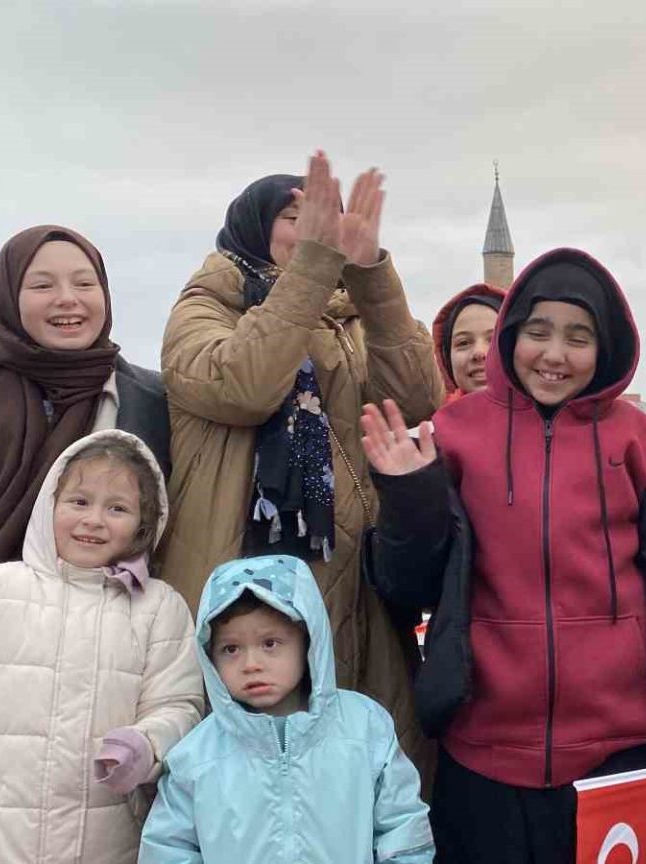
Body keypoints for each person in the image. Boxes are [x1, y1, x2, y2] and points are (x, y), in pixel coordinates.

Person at [360, 247, 646, 864]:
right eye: (538, 332)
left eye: (578, 337)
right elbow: (408, 586)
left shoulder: (643, 444)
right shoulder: (452, 436)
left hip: (620, 757)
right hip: (482, 758)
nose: (555, 355)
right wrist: (409, 497)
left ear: (606, 347)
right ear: (511, 335)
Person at [159, 152, 443, 761]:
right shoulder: (207, 305)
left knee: (354, 775)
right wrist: (316, 265)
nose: (317, 230)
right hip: (243, 599)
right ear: (252, 227)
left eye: (328, 218)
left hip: (356, 588)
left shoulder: (351, 319)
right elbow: (245, 385)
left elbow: (419, 399)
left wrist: (371, 274)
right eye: (296, 218)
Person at [0, 430, 203, 864]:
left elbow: (179, 706)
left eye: (117, 508)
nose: (94, 520)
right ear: (50, 505)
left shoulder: (160, 608)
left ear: (144, 523)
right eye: (79, 501)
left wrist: (147, 745)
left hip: (107, 847)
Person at [139, 554, 434, 862]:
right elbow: (168, 848)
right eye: (231, 649)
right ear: (209, 656)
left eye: (270, 643)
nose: (251, 664)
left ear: (308, 641)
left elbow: (402, 826)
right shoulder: (196, 756)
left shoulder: (364, 727)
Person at [0, 225, 169, 604]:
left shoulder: (162, 405)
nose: (67, 299)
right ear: (7, 298)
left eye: (84, 284)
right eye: (42, 286)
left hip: (107, 630)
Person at [431, 283, 505, 401]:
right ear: (446, 359)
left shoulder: (539, 409)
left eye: (494, 340)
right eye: (464, 343)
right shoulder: (430, 412)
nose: (479, 353)